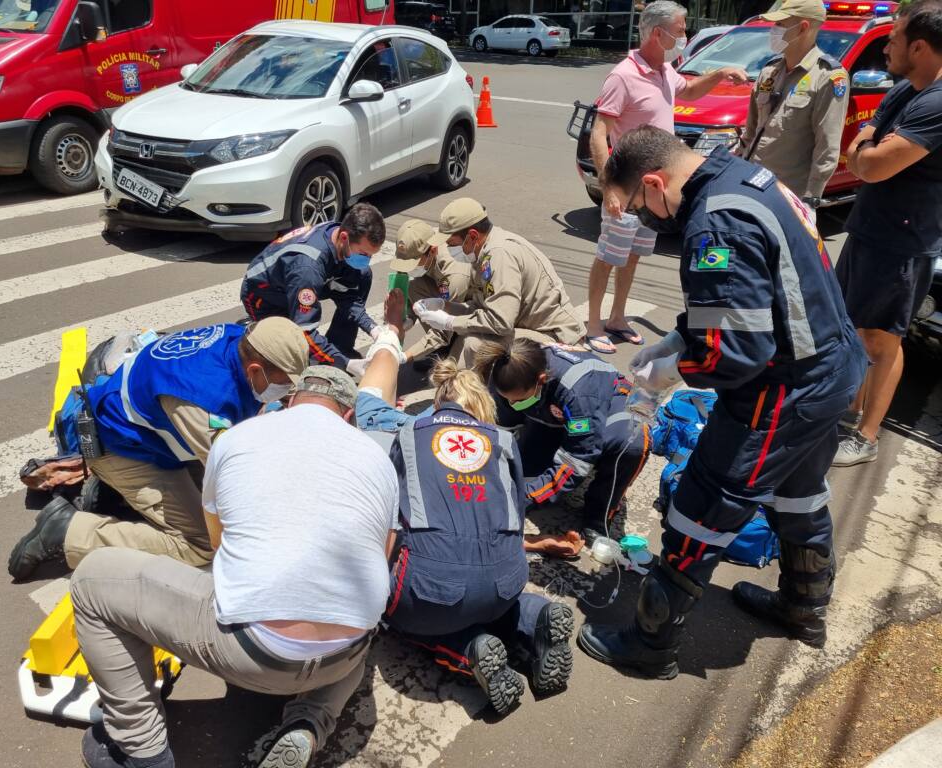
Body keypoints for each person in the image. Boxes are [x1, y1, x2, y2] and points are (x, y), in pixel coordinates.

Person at [577, 126, 866, 679]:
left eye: (639, 208)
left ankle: (650, 645)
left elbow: (736, 352)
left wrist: (678, 366)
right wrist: (685, 333)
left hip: (783, 391)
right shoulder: (742, 176)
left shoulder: (714, 224)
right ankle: (803, 610)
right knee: (798, 495)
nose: (645, 221)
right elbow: (749, 297)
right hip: (829, 369)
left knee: (701, 505)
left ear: (656, 183)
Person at [71, 365, 397, 768]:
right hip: (343, 656)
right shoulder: (379, 459)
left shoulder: (238, 437)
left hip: (253, 655)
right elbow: (379, 559)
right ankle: (311, 721)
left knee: (91, 581)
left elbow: (217, 543)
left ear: (288, 401)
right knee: (354, 622)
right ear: (348, 417)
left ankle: (142, 751)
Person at [352, 292, 575, 714]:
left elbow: (388, 520)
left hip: (433, 591)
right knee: (490, 596)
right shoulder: (504, 442)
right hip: (506, 582)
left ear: (439, 403)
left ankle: (468, 649)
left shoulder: (407, 437)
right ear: (482, 409)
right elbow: (511, 518)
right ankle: (535, 616)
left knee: (406, 615)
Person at [7, 318, 310, 581]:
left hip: (145, 429)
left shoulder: (238, 338)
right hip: (120, 447)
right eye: (284, 384)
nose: (287, 392)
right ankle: (68, 532)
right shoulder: (202, 404)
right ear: (255, 370)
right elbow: (234, 480)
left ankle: (116, 495)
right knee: (201, 543)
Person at [586, 1, 747, 355]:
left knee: (633, 255)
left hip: (654, 192)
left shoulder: (665, 69)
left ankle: (617, 317)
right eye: (680, 28)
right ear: (658, 33)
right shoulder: (623, 75)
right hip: (627, 188)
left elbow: (687, 91)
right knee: (609, 255)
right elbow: (599, 132)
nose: (684, 35)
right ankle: (594, 323)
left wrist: (719, 75)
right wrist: (609, 185)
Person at [832, 0, 942, 467]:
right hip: (870, 229)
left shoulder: (937, 102)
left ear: (919, 46)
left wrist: (863, 150)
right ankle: (846, 413)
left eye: (894, 40)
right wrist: (866, 147)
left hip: (903, 240)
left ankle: (867, 435)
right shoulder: (906, 89)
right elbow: (868, 137)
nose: (886, 50)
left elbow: (872, 164)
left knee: (882, 339)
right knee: (852, 327)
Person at [473, 338, 650, 544]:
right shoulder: (505, 373)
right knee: (525, 474)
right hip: (552, 414)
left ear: (541, 380)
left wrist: (525, 499)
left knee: (632, 443)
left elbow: (577, 460)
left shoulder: (579, 393)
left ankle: (598, 517)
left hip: (606, 404)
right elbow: (500, 433)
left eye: (518, 400)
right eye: (507, 399)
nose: (511, 404)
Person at [412, 198, 583, 369]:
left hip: (554, 337)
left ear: (472, 236)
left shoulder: (499, 255)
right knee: (460, 356)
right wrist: (445, 306)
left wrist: (450, 322)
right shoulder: (484, 251)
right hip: (525, 326)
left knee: (474, 345)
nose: (449, 250)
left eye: (452, 244)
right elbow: (483, 306)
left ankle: (489, 395)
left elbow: (500, 322)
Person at [239, 202, 386, 374]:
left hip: (301, 281)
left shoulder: (340, 237)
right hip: (264, 296)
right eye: (363, 254)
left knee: (362, 275)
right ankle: (255, 333)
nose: (366, 259)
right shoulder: (307, 269)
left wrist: (373, 329)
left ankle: (339, 349)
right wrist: (346, 364)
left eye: (370, 255)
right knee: (290, 358)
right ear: (344, 238)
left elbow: (349, 297)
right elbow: (305, 332)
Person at [739, 0, 849, 210]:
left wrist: (811, 198)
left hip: (788, 195)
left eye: (780, 24)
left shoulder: (827, 77)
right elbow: (751, 131)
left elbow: (827, 146)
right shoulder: (770, 71)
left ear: (803, 27)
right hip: (751, 183)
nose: (774, 30)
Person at [388, 219, 472, 364]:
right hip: (448, 293)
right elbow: (403, 279)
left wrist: (405, 356)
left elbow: (443, 330)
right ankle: (439, 348)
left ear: (432, 250)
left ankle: (447, 347)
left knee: (454, 369)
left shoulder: (453, 274)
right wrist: (407, 318)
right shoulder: (421, 246)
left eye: (413, 263)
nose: (409, 269)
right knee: (414, 287)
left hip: (471, 306)